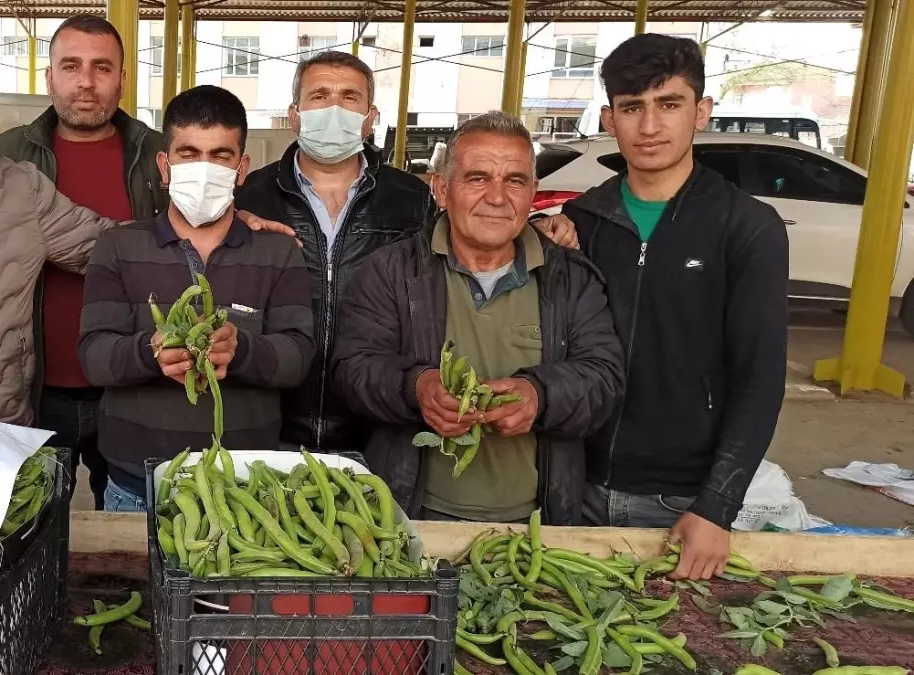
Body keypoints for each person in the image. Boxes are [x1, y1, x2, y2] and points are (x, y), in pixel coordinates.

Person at [536, 35, 788, 579]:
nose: (649, 126)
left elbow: (760, 379)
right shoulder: (580, 220)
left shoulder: (746, 227)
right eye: (632, 108)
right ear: (609, 118)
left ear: (701, 112)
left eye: (668, 104)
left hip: (681, 502)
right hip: (572, 486)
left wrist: (717, 506)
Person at [331, 111, 623, 525]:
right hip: (415, 516)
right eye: (478, 178)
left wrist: (540, 395)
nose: (498, 197)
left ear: (532, 192)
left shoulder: (569, 277)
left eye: (515, 181)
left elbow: (604, 378)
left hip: (536, 523)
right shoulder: (392, 272)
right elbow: (353, 369)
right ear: (442, 189)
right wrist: (417, 387)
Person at [77, 85, 315, 511]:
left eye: (220, 156)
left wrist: (239, 350)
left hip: (245, 484)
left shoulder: (278, 253)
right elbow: (94, 356)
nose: (204, 168)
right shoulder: (117, 247)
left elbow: (298, 357)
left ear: (242, 168)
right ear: (164, 166)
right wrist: (150, 351)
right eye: (188, 153)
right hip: (137, 481)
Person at [0, 16, 168, 508]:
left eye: (101, 67)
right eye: (71, 66)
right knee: (32, 525)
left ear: (122, 79)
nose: (86, 82)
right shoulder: (5, 157)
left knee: (134, 527)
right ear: (49, 77)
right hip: (34, 389)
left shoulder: (161, 156)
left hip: (132, 385)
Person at [233, 51, 437, 454]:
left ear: (370, 116)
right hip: (271, 420)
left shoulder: (413, 200)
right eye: (319, 95)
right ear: (295, 116)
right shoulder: (250, 196)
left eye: (349, 97)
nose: (333, 109)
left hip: (376, 425)